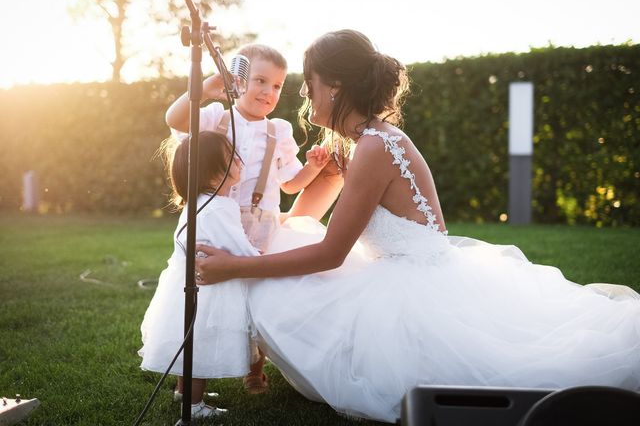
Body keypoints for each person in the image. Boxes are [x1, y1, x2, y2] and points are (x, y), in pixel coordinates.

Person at [193, 30, 640, 423]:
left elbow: (330, 252)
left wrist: (235, 267)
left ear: (334, 86)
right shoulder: (353, 146)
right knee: (285, 245)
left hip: (418, 288)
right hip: (394, 272)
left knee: (527, 366)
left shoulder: (375, 146)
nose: (305, 97)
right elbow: (298, 219)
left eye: (308, 85)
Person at [165, 44, 329, 393]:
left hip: (261, 226)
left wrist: (313, 168)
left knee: (256, 299)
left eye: (277, 86)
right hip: (217, 222)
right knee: (207, 299)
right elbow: (174, 119)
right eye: (260, 81)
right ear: (239, 81)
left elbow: (289, 183)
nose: (269, 92)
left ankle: (254, 368)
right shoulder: (216, 117)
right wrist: (203, 89)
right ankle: (190, 380)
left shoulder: (279, 131)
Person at [138, 131, 258, 419]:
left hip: (186, 285)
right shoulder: (216, 207)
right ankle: (192, 407)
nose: (239, 160)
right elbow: (234, 247)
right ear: (212, 174)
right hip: (206, 291)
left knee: (191, 341)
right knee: (199, 344)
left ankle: (183, 390)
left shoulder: (202, 202)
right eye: (231, 157)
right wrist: (258, 258)